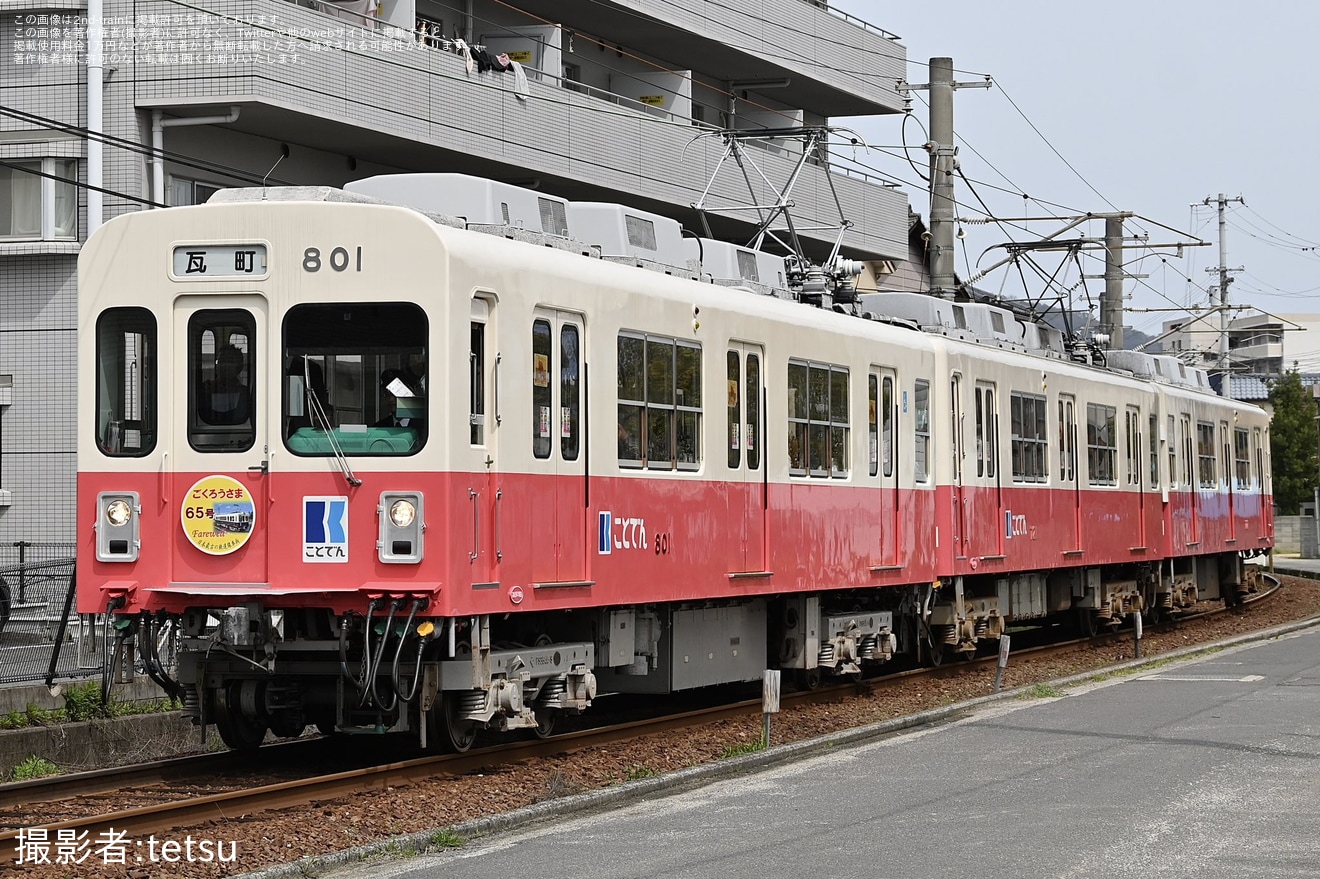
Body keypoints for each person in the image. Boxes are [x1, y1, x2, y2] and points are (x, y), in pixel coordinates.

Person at [198, 345, 252, 425]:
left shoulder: (245, 394)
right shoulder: (205, 389)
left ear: (239, 367)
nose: (224, 365)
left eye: (229, 361)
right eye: (221, 361)